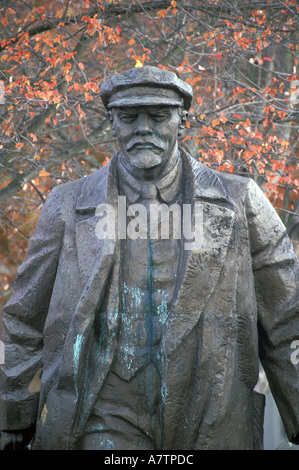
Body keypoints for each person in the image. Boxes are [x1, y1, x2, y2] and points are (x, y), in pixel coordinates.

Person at [0, 66, 298, 450]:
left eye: (158, 117)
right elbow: (24, 320)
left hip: (211, 412)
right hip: (101, 414)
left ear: (182, 120)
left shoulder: (240, 201)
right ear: (112, 123)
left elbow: (287, 317)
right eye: (129, 117)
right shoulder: (67, 206)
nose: (144, 128)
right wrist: (13, 416)